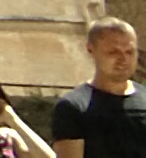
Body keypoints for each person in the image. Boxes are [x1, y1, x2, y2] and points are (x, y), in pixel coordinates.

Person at [55, 17, 146, 158]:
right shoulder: (74, 107)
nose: (123, 59)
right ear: (91, 50)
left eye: (129, 52)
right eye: (113, 52)